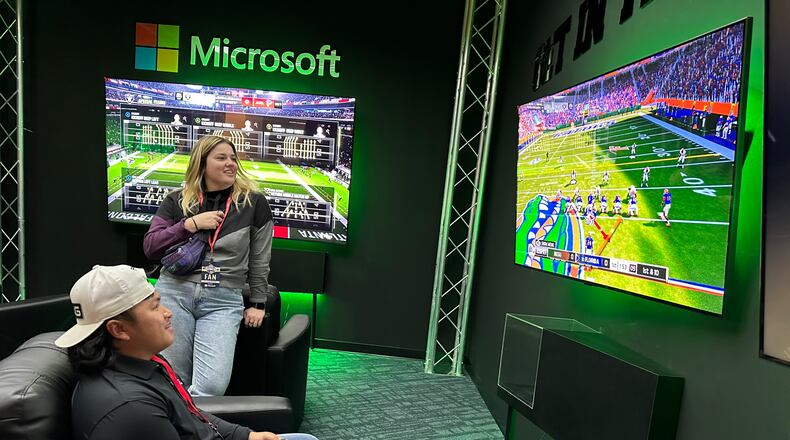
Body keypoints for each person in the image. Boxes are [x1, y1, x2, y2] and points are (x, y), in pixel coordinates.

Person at [56, 264, 317, 440]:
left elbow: (191, 413)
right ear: (119, 329)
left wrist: (245, 436)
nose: (168, 313)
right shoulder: (131, 409)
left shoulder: (140, 363)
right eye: (155, 307)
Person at [143, 135, 275, 396]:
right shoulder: (176, 200)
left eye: (233, 158)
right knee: (171, 378)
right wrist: (189, 225)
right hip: (174, 292)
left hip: (223, 299)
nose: (231, 164)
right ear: (201, 164)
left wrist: (258, 303)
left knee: (212, 386)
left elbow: (261, 258)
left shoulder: (254, 203)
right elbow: (151, 247)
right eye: (221, 158)